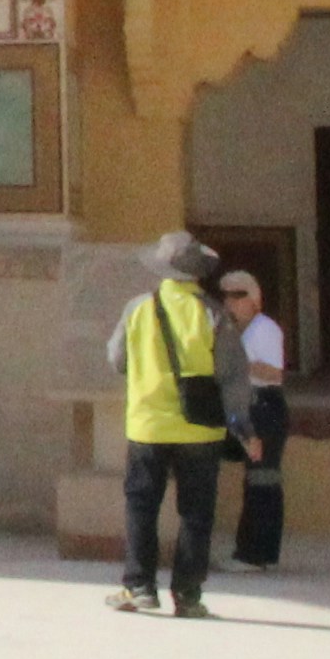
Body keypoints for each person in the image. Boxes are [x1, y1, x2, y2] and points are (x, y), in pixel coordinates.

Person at [108, 228, 229, 622]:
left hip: (148, 426)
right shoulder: (213, 312)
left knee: (142, 505)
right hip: (201, 429)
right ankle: (188, 595)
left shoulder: (138, 308)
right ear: (197, 273)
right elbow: (233, 373)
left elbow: (116, 359)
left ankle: (139, 586)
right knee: (196, 513)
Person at [219, 269, 293, 575]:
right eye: (227, 296)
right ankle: (250, 549)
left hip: (265, 407)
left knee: (262, 480)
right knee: (255, 480)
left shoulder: (265, 330)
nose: (231, 302)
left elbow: (274, 373)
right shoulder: (236, 331)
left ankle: (256, 554)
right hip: (246, 406)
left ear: (254, 300)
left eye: (239, 295)